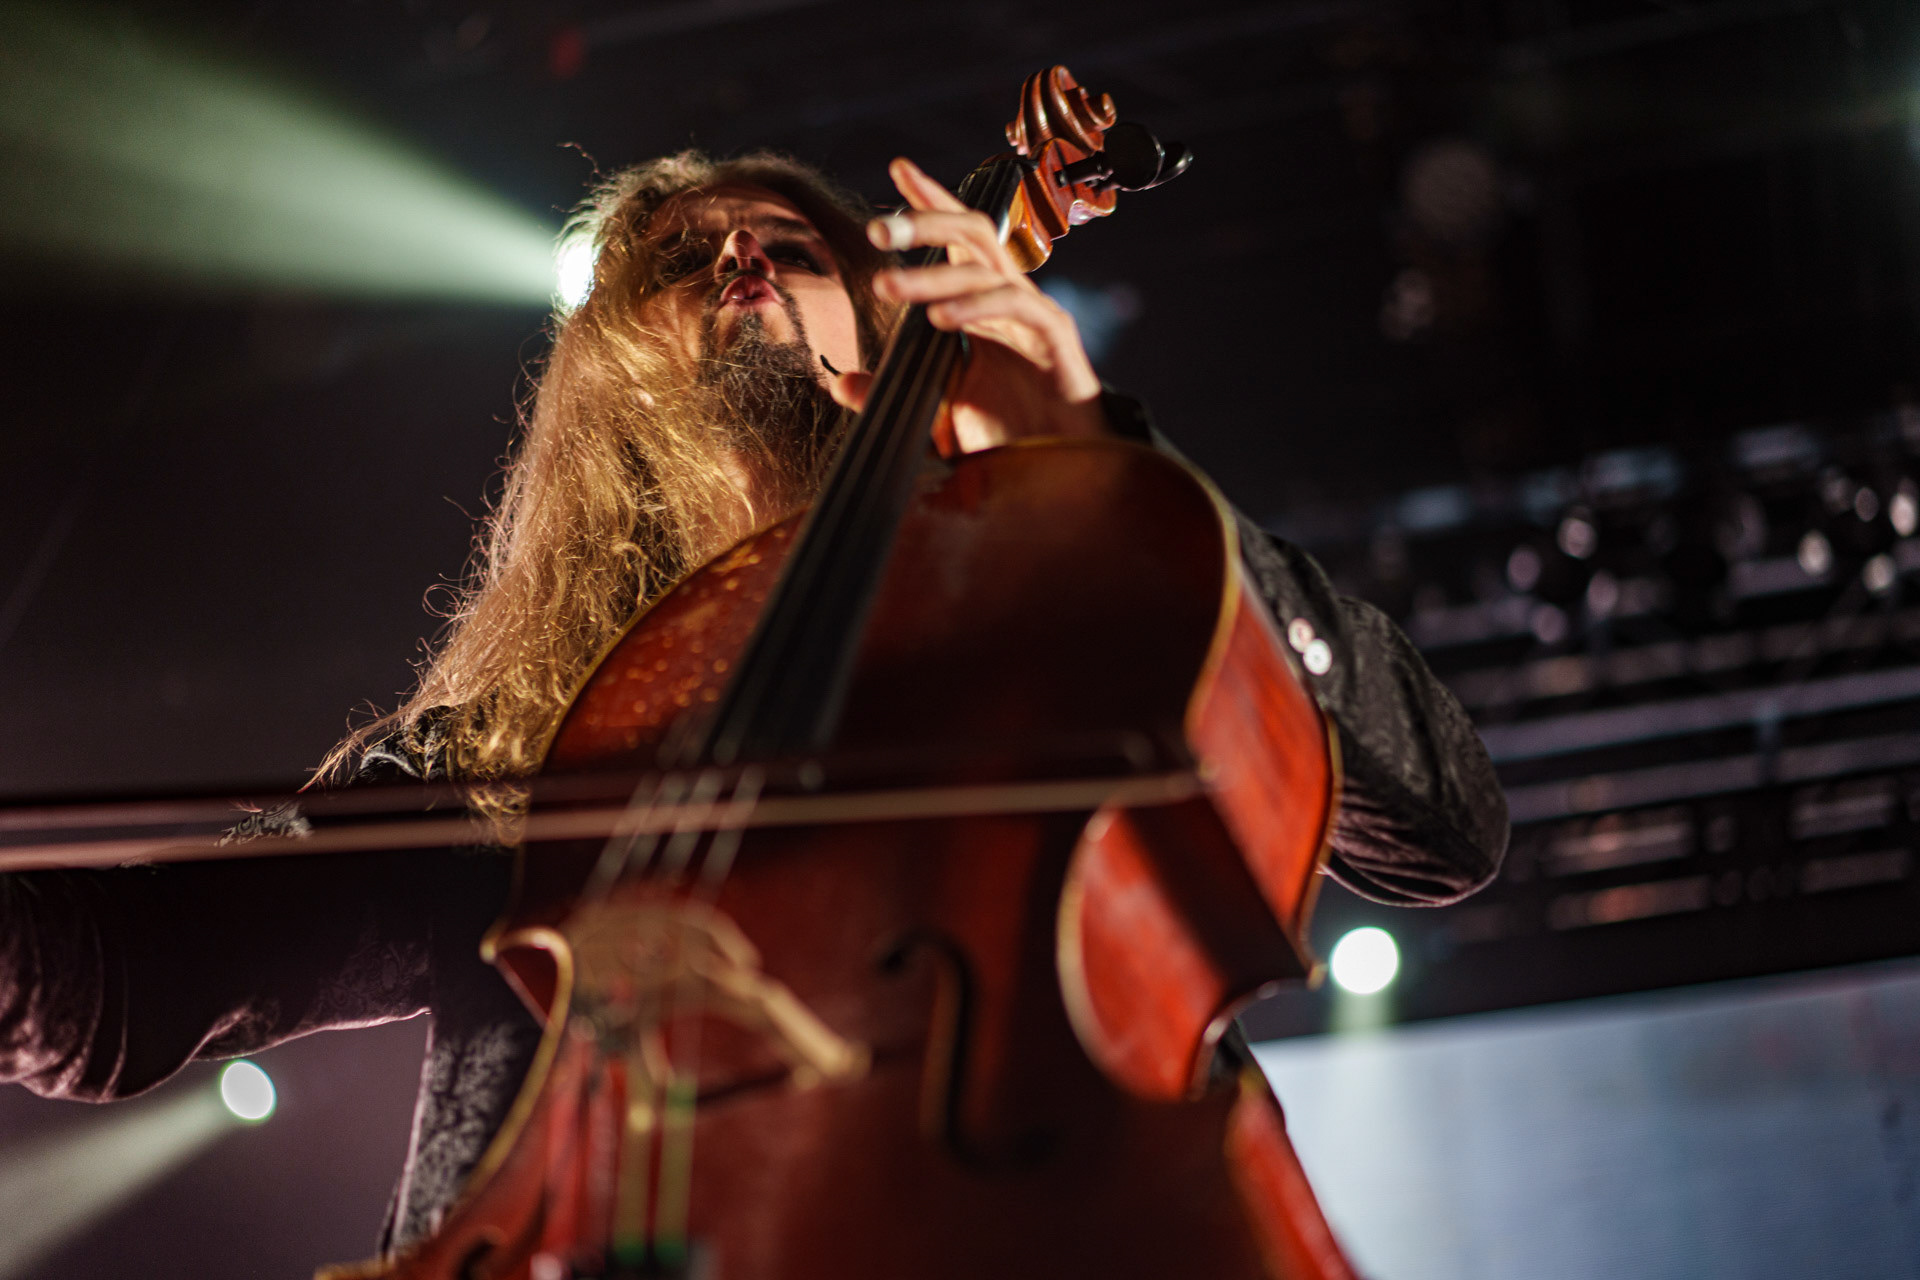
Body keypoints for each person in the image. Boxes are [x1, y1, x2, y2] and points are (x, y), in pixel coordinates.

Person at [0, 150, 1508, 1258]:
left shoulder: (1083, 614)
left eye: (789, 242)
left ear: (896, 309)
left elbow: (1439, 819)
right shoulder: (505, 752)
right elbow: (125, 988)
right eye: (676, 261)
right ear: (609, 379)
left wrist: (1110, 465)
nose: (735, 262)